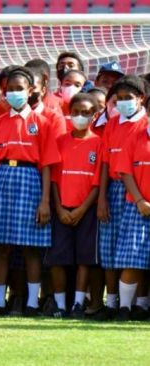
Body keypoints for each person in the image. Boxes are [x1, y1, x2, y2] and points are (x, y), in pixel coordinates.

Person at [0, 66, 60, 316]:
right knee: (0, 247)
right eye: (9, 89)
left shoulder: (42, 123)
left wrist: (45, 201)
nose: (14, 93)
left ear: (31, 90)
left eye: (19, 89)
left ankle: (32, 303)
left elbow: (46, 165)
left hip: (30, 181)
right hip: (2, 179)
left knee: (31, 248)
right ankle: (0, 302)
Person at [45, 93, 102, 318]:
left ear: (94, 115)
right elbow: (54, 180)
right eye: (76, 112)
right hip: (62, 210)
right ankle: (60, 305)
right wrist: (59, 208)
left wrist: (82, 209)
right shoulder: (60, 141)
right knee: (58, 258)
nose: (80, 116)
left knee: (84, 259)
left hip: (86, 211)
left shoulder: (99, 143)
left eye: (86, 113)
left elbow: (98, 182)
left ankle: (78, 303)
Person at [97, 76, 148, 320]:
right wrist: (101, 198)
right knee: (111, 249)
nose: (124, 103)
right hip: (116, 190)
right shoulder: (113, 123)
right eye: (120, 99)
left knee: (137, 250)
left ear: (142, 99)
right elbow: (106, 163)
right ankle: (113, 302)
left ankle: (141, 302)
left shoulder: (145, 124)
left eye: (130, 98)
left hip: (137, 190)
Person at [114, 115, 150, 320]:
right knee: (132, 259)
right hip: (137, 207)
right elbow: (125, 172)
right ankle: (124, 308)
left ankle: (143, 306)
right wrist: (139, 201)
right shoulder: (134, 137)